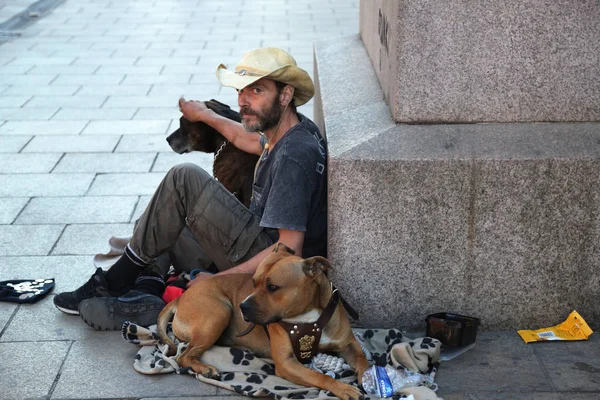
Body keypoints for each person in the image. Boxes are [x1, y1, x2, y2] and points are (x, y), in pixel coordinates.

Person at [53, 47, 328, 330]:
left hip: (269, 266)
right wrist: (204, 115)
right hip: (255, 241)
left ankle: (113, 282)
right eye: (240, 91)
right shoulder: (293, 128)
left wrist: (218, 280)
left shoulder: (293, 156)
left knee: (183, 178)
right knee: (158, 219)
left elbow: (290, 248)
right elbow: (244, 139)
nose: (243, 101)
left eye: (256, 91)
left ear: (285, 95)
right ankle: (145, 294)